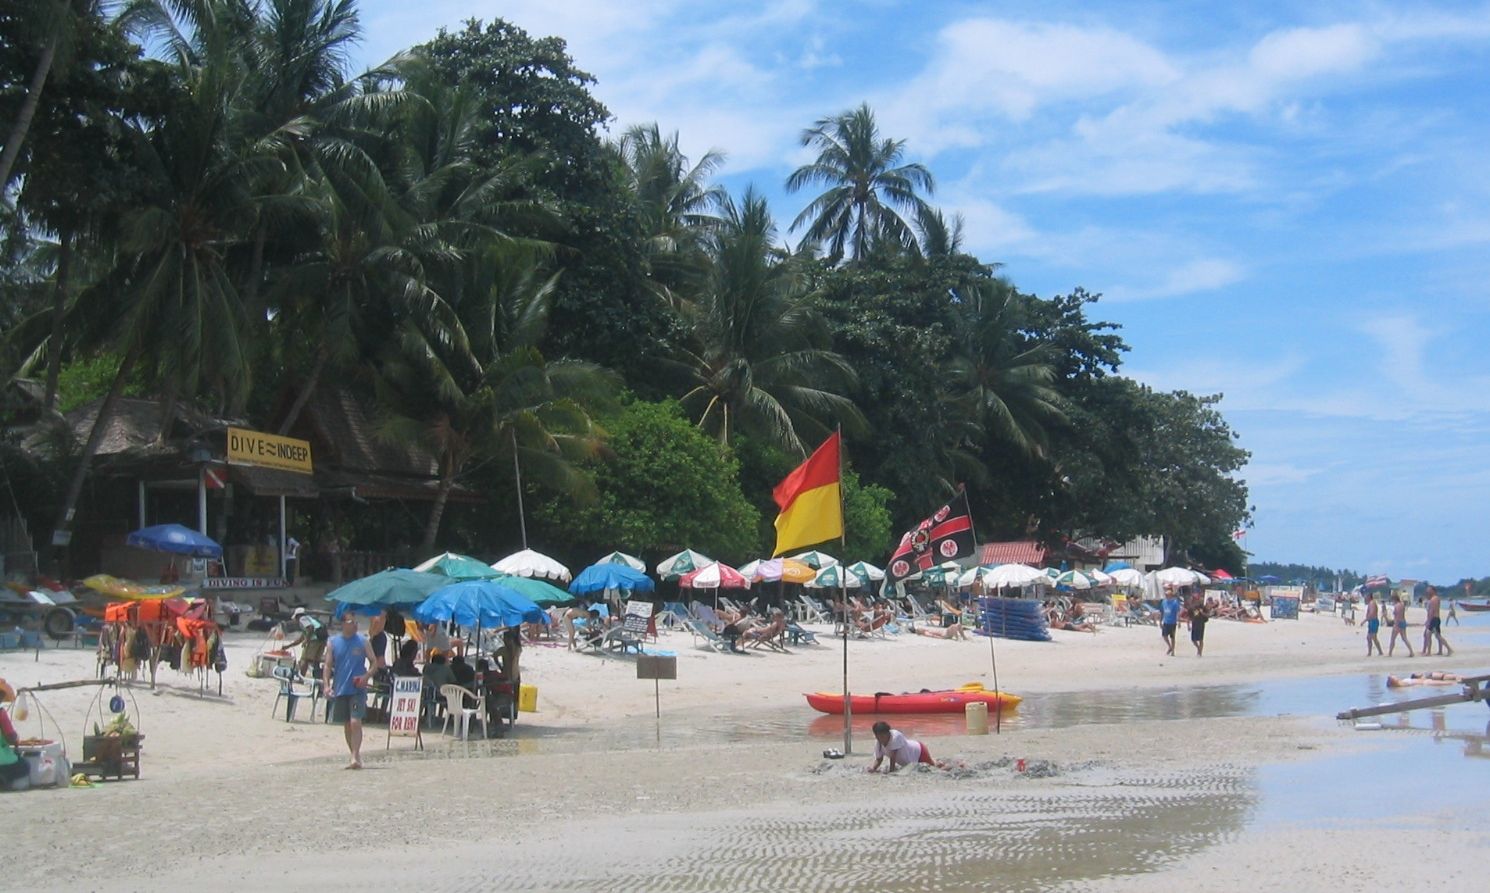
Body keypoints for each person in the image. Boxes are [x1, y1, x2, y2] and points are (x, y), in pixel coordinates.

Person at [322, 614, 378, 770]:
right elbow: (327, 665)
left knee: (355, 722)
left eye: (356, 622)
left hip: (357, 689)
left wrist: (366, 676)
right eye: (351, 622)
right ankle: (354, 754)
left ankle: (355, 755)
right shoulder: (333, 642)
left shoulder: (363, 641)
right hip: (340, 688)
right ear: (343, 624)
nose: (355, 625)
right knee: (347, 724)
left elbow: (374, 662)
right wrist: (327, 686)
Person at [867, 720, 938, 773]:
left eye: (882, 736)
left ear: (888, 733)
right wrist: (873, 769)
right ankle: (937, 761)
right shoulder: (878, 743)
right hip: (909, 760)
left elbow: (893, 757)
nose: (880, 739)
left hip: (919, 751)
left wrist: (891, 773)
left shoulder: (895, 737)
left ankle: (944, 766)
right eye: (877, 736)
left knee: (934, 768)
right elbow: (879, 759)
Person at [0, 678, 29, 792]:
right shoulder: (1, 714)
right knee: (24, 765)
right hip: (2, 760)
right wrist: (16, 740)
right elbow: (11, 737)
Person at [285, 608, 326, 677]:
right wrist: (288, 646)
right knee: (316, 661)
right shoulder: (311, 620)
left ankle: (301, 677)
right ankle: (318, 677)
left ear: (298, 616)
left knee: (304, 659)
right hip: (322, 640)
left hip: (314, 641)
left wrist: (307, 640)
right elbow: (300, 639)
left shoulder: (302, 619)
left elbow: (310, 628)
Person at [1421, 586, 1453, 657]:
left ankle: (1448, 649)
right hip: (1435, 619)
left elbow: (1432, 611)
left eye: (1429, 590)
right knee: (1436, 635)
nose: (1428, 592)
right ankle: (1440, 651)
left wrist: (1428, 621)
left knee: (1432, 635)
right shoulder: (1434, 599)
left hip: (1434, 619)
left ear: (1433, 591)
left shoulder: (1434, 599)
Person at [1160, 587, 1182, 656]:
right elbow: (1162, 612)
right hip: (1166, 622)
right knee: (1164, 636)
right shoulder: (1164, 602)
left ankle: (1173, 651)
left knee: (1172, 637)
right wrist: (1160, 621)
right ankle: (1170, 646)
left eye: (1167, 595)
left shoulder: (1175, 603)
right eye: (1165, 595)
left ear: (1171, 595)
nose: (1166, 596)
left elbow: (1178, 613)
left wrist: (1178, 622)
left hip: (1172, 622)